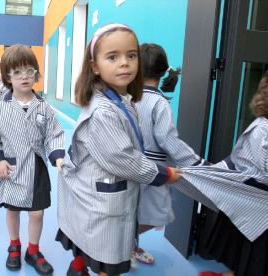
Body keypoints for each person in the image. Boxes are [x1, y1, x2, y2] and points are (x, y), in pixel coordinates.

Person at [56, 23, 182, 276]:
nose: (124, 63)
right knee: (108, 258)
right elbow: (122, 159)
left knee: (90, 239)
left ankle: (78, 267)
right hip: (104, 196)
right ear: (94, 66)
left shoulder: (121, 99)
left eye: (131, 55)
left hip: (102, 191)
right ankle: (80, 268)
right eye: (113, 57)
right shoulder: (103, 110)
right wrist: (163, 174)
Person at [0, 44, 64, 275]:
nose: (24, 77)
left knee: (37, 212)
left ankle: (33, 250)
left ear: (37, 74)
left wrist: (58, 156)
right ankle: (15, 245)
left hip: (36, 168)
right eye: (17, 72)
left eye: (29, 71)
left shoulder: (43, 107)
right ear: (8, 76)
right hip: (11, 167)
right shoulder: (0, 109)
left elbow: (55, 134)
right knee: (13, 210)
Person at [133, 43, 207, 264]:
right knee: (161, 214)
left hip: (129, 167)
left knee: (131, 211)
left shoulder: (128, 98)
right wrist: (196, 162)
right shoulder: (159, 103)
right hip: (154, 172)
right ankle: (124, 243)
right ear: (165, 71)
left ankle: (127, 244)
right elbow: (167, 139)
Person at [195, 72, 268, 276]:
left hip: (252, 203)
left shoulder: (261, 125)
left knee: (247, 256)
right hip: (256, 204)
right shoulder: (263, 130)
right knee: (253, 259)